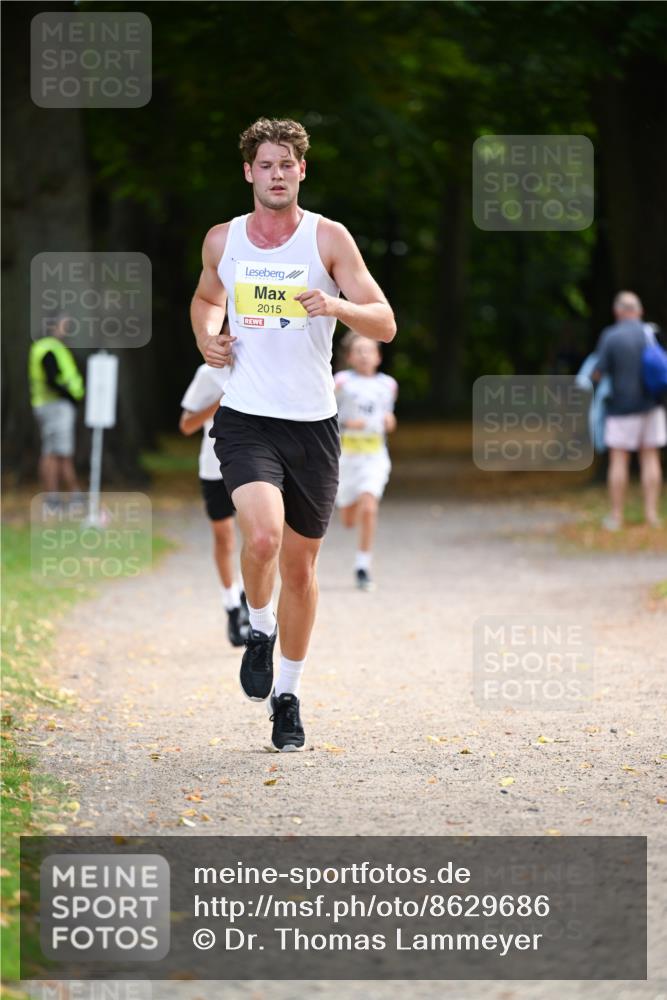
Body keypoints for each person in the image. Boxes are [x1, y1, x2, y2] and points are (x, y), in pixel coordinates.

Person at [190, 117, 396, 752]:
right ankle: (258, 626)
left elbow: (384, 323)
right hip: (247, 418)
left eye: (288, 165)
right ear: (248, 171)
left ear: (301, 171)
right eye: (266, 164)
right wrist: (208, 337)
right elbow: (205, 300)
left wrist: (335, 305)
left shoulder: (328, 238)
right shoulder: (223, 240)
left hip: (313, 425)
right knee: (261, 536)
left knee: (302, 572)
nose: (277, 174)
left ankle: (288, 695)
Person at [179, 336, 249, 647]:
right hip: (214, 467)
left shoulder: (264, 370)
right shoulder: (208, 373)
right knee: (225, 538)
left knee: (260, 538)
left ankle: (253, 601)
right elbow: (186, 425)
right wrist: (219, 402)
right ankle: (232, 605)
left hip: (254, 468)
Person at [594, 291, 666, 530]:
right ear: (639, 311)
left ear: (618, 311)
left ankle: (616, 516)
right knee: (650, 457)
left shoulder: (611, 336)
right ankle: (652, 515)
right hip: (652, 405)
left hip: (621, 407)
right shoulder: (651, 333)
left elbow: (598, 372)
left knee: (619, 460)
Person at [334, 330, 398, 590]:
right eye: (358, 350)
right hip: (346, 457)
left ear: (378, 357)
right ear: (349, 357)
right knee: (349, 518)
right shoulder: (340, 382)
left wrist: (390, 422)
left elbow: (388, 417)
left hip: (374, 456)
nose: (363, 355)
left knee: (369, 506)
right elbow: (326, 416)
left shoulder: (388, 385)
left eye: (368, 350)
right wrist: (348, 423)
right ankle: (348, 507)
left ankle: (362, 565)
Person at [29, 316, 84, 499]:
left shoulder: (47, 347)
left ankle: (56, 495)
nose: (67, 329)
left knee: (54, 451)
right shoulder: (49, 349)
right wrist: (69, 396)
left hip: (50, 405)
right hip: (55, 406)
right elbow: (51, 379)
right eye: (64, 325)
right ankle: (62, 495)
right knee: (59, 453)